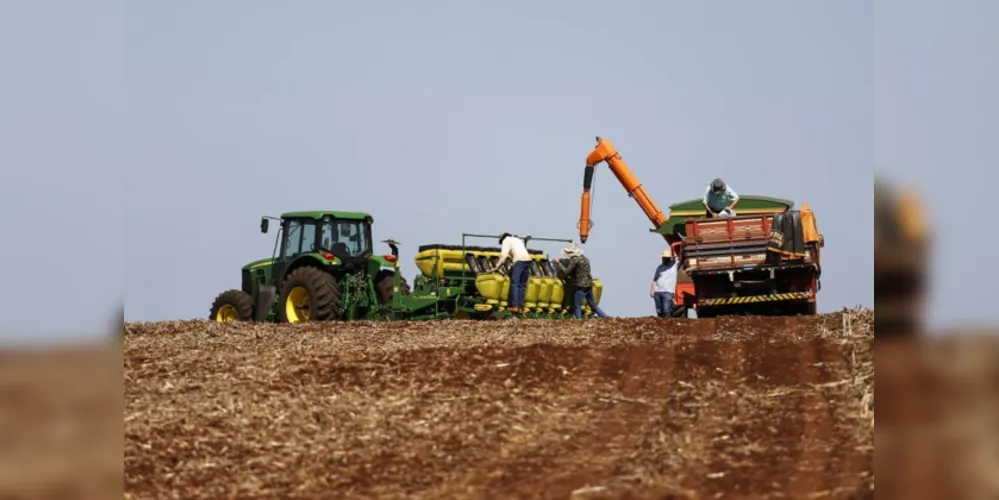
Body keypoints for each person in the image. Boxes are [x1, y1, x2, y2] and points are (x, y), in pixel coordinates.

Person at [554, 243, 607, 319]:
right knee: (592, 304)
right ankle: (604, 317)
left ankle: (578, 321)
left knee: (577, 305)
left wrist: (558, 263)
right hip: (589, 284)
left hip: (581, 286)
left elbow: (566, 272)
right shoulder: (585, 259)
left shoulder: (574, 260)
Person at [494, 232, 533, 314]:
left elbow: (503, 256)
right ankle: (520, 307)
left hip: (519, 261)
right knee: (522, 285)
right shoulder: (517, 239)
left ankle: (514, 306)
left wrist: (497, 267)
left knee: (515, 283)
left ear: (502, 238)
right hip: (527, 260)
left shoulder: (506, 240)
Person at [650, 247, 679, 318]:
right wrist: (652, 291)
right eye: (663, 257)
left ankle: (668, 325)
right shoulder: (660, 267)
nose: (663, 259)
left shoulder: (675, 265)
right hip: (658, 292)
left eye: (665, 258)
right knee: (659, 311)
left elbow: (681, 257)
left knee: (666, 310)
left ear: (669, 258)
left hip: (668, 292)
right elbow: (654, 280)